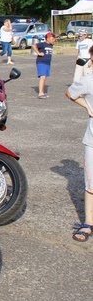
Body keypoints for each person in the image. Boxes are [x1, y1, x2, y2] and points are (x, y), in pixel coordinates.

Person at [66, 46, 93, 242]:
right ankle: (89, 223)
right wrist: (88, 108)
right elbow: (70, 93)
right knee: (91, 184)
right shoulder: (88, 80)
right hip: (92, 140)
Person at [32, 32, 55, 99]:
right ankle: (40, 93)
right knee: (43, 77)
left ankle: (42, 92)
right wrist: (38, 53)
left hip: (47, 63)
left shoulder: (51, 45)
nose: (54, 40)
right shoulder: (43, 44)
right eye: (52, 38)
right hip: (41, 62)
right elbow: (34, 45)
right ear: (48, 38)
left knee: (44, 78)